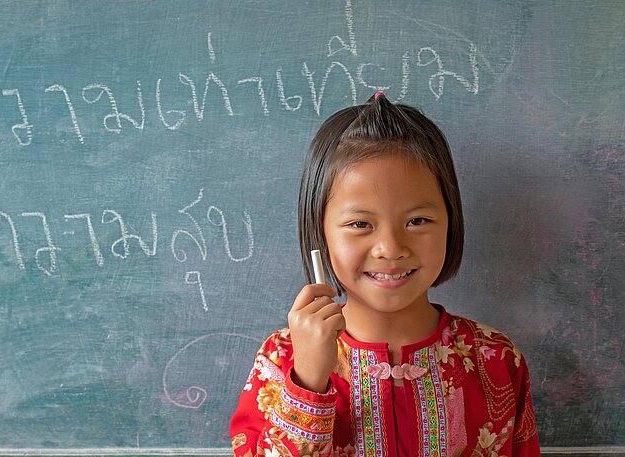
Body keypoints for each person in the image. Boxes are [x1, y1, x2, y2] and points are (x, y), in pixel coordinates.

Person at [229, 93, 540, 457]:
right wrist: (308, 382)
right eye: (360, 224)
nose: (390, 248)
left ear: (451, 223)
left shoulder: (496, 359)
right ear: (321, 233)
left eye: (417, 221)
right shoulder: (281, 360)